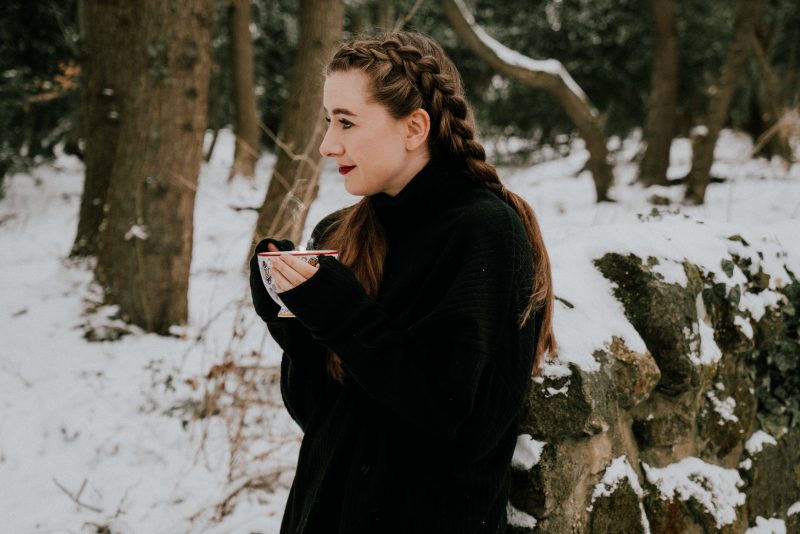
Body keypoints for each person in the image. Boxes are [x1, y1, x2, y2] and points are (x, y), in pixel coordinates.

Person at [249, 30, 557, 534]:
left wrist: (342, 315)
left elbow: (461, 427)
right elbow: (323, 418)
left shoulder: (484, 232)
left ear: (414, 127)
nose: (328, 144)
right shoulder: (341, 230)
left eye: (346, 121)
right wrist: (291, 318)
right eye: (329, 121)